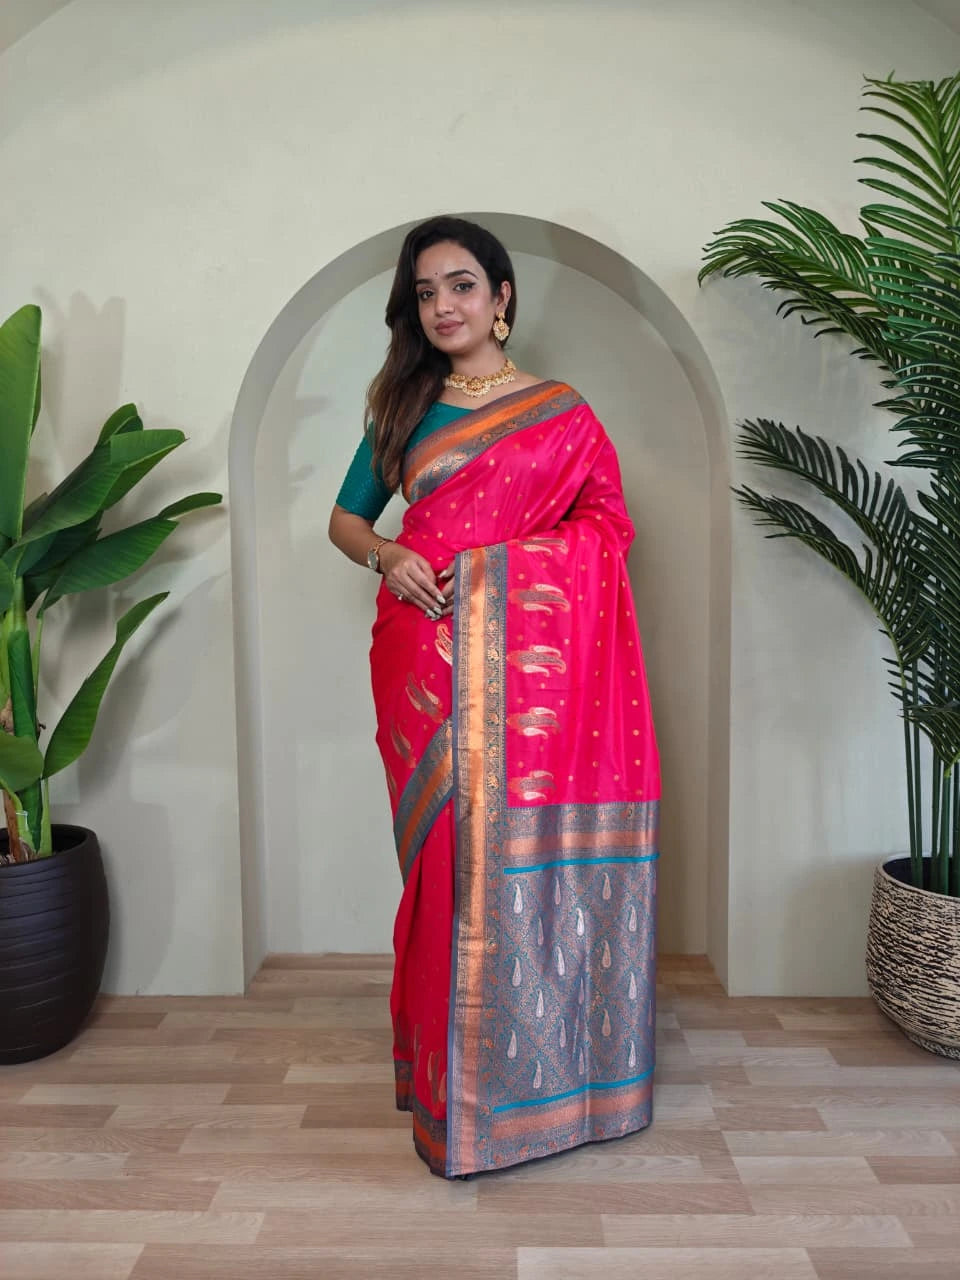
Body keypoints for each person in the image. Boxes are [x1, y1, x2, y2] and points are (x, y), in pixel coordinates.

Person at [329, 216, 660, 1178]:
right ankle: (452, 1093)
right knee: (447, 871)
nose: (443, 307)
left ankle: (552, 1083)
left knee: (513, 861)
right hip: (422, 665)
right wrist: (390, 557)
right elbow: (349, 523)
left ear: (502, 298)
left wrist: (496, 573)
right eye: (426, 293)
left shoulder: (561, 411)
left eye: (462, 285)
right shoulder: (400, 410)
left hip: (533, 683)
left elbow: (606, 524)